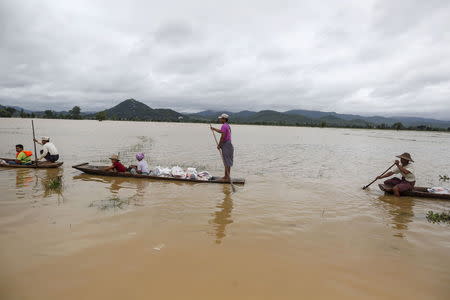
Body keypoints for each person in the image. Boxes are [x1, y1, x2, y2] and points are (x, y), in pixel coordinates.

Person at [210, 113, 234, 181]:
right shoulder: (227, 126)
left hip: (226, 144)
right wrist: (214, 129)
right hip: (229, 144)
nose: (220, 119)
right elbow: (222, 132)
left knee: (226, 161)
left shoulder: (224, 126)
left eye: (221, 118)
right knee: (227, 161)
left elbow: (223, 136)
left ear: (224, 119)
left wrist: (219, 145)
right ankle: (227, 176)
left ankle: (226, 177)